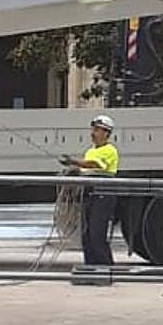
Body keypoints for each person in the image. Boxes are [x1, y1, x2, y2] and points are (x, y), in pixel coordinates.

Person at [61, 114, 120, 266]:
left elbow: (95, 165)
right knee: (86, 235)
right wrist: (74, 171)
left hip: (103, 194)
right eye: (93, 129)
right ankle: (91, 269)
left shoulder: (110, 150)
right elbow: (86, 167)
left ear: (106, 133)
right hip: (89, 193)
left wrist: (74, 162)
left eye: (97, 130)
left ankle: (105, 270)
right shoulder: (90, 151)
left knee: (97, 234)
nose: (93, 133)